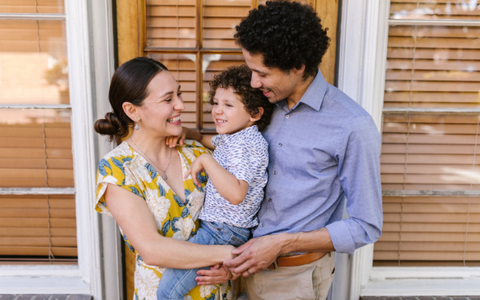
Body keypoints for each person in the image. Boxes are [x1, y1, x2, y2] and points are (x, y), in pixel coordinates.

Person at [222, 1, 383, 299]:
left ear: (298, 66)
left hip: (293, 279)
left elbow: (366, 226)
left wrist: (281, 244)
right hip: (234, 267)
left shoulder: (352, 126)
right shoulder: (259, 103)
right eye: (250, 69)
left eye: (264, 73)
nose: (254, 81)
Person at [94, 57, 236, 300]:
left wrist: (231, 270)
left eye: (179, 94)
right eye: (168, 99)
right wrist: (233, 255)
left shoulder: (198, 153)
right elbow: (153, 250)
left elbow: (235, 215)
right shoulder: (118, 169)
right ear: (132, 111)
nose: (181, 104)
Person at [157, 64, 273, 300]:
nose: (218, 111)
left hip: (223, 232)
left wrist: (205, 161)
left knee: (167, 292)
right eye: (216, 103)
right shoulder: (235, 137)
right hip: (222, 230)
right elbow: (205, 139)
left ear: (255, 114)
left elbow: (237, 193)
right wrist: (188, 133)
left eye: (228, 105)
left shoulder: (247, 144)